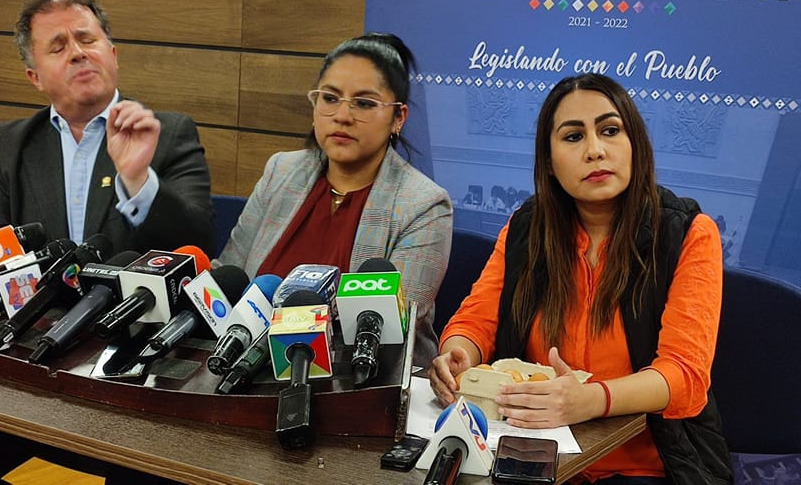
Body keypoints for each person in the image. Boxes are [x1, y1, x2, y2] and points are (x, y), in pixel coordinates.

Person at [0, 0, 212, 485]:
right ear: (35, 76)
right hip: (31, 365)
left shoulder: (169, 132)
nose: (77, 53)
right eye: (58, 46)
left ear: (112, 53)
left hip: (133, 376)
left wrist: (138, 179)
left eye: (87, 39)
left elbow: (199, 246)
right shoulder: (10, 144)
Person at [429, 74, 732, 483]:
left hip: (649, 465)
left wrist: (587, 401)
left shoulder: (688, 233)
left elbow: (684, 376)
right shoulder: (525, 228)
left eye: (610, 130)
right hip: (532, 453)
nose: (595, 150)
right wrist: (458, 354)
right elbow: (476, 320)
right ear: (549, 164)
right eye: (573, 137)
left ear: (636, 145)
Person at [215, 33, 453, 369]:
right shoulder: (281, 171)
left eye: (364, 103)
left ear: (398, 118)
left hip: (359, 378)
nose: (342, 115)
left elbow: (389, 333)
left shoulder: (423, 205)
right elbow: (229, 280)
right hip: (243, 368)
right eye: (330, 98)